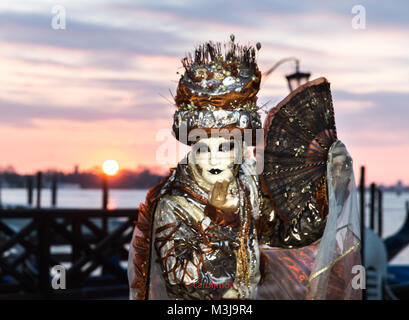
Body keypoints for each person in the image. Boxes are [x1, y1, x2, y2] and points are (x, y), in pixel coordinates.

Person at [128, 38, 361, 300]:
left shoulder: (247, 186)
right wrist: (220, 217)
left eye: (225, 148)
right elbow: (190, 282)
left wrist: (326, 186)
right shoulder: (174, 204)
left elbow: (287, 235)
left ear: (241, 150)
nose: (214, 160)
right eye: (204, 149)